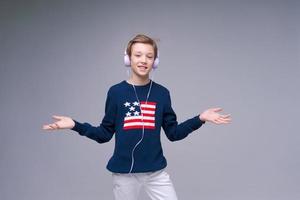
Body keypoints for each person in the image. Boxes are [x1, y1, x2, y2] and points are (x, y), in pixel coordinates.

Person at [43, 34, 231, 200]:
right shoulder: (116, 92)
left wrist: (201, 118)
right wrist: (74, 124)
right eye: (138, 55)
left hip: (155, 172)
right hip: (124, 174)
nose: (143, 60)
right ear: (128, 59)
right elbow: (104, 134)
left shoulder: (162, 93)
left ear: (155, 62)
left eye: (149, 56)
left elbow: (174, 133)